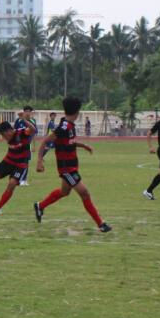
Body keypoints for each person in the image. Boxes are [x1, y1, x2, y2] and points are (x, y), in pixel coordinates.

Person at [34, 97, 112, 233]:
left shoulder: (69, 126)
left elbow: (69, 142)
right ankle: (101, 224)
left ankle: (40, 206)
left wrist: (84, 146)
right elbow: (45, 141)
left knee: (65, 192)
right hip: (66, 168)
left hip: (71, 166)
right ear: (77, 112)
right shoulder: (64, 127)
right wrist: (39, 160)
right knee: (85, 193)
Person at [0, 115, 36, 215]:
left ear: (9, 131)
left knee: (12, 184)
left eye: (4, 135)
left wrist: (24, 120)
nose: (4, 138)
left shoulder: (21, 132)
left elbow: (33, 129)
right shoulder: (9, 136)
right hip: (8, 161)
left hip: (20, 165)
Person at [13, 105, 37, 186]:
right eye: (26, 111)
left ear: (31, 112)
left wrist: (33, 146)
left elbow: (33, 134)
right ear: (24, 112)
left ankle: (24, 180)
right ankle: (17, 178)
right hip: (18, 145)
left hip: (27, 145)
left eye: (29, 111)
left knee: (25, 162)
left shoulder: (32, 121)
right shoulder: (18, 121)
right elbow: (14, 132)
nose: (27, 113)